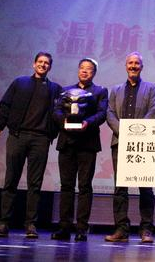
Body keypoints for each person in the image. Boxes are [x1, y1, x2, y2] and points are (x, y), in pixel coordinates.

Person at [0, 52, 61, 239]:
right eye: (40, 62)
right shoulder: (20, 83)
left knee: (35, 184)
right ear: (34, 64)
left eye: (46, 63)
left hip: (40, 139)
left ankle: (30, 225)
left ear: (50, 67)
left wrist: (52, 133)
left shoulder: (55, 89)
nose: (43, 65)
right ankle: (3, 223)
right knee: (10, 181)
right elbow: (5, 105)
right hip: (17, 136)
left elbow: (61, 113)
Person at [51, 58, 108, 242]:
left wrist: (87, 123)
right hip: (67, 142)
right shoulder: (65, 90)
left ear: (94, 73)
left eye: (88, 69)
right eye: (82, 68)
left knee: (84, 186)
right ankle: (64, 227)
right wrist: (63, 121)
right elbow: (57, 111)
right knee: (66, 186)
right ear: (78, 70)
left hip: (87, 144)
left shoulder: (100, 91)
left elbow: (102, 114)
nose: (84, 71)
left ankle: (82, 228)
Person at [105, 52, 155, 243]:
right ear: (126, 66)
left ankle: (146, 230)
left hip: (143, 145)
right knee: (120, 188)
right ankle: (121, 229)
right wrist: (125, 133)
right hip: (120, 142)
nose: (133, 66)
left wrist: (137, 134)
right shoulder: (116, 90)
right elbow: (110, 113)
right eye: (130, 63)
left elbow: (153, 111)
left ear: (141, 67)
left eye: (137, 63)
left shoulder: (151, 88)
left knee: (145, 187)